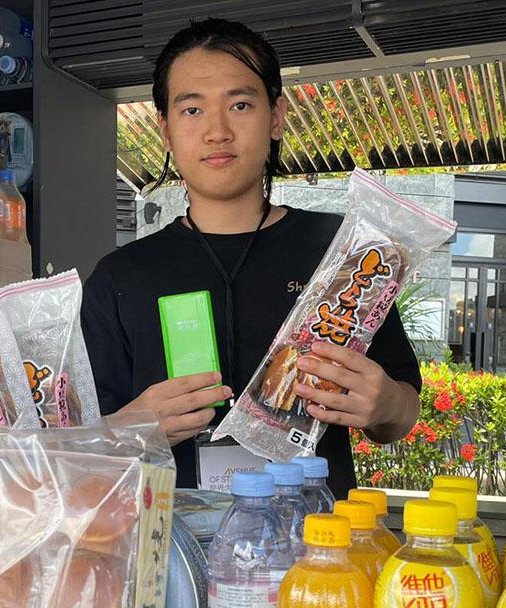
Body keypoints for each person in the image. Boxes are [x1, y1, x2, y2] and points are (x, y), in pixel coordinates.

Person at [80, 18, 421, 498]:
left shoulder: (345, 255)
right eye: (192, 110)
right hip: (168, 538)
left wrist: (386, 406)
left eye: (240, 105)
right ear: (166, 130)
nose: (217, 131)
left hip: (316, 537)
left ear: (276, 116)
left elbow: (400, 412)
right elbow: (82, 440)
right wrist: (131, 427)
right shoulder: (119, 277)